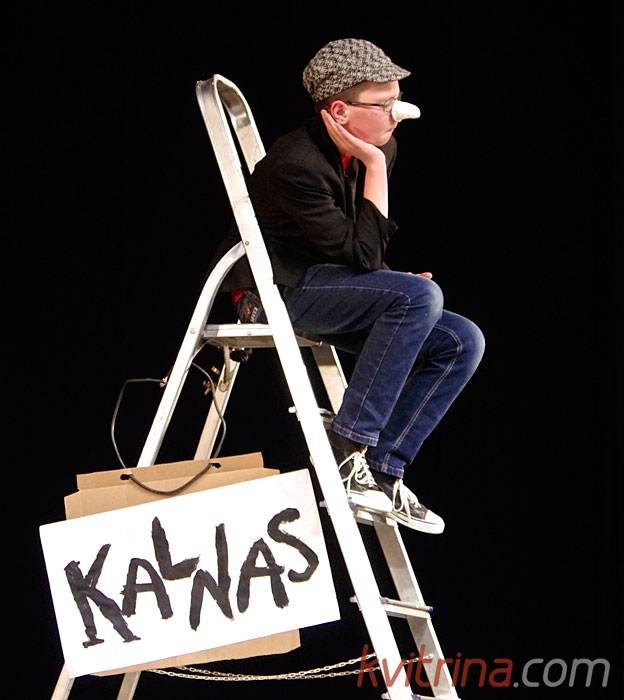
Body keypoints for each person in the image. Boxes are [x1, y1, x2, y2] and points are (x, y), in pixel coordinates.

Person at [210, 38, 485, 534]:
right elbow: (362, 258)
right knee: (418, 297)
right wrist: (376, 168)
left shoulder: (377, 147)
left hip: (326, 281)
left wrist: (392, 281)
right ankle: (348, 449)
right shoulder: (296, 163)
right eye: (385, 104)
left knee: (461, 340)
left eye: (397, 101)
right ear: (340, 111)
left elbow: (361, 254)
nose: (397, 115)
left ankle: (382, 470)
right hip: (271, 291)